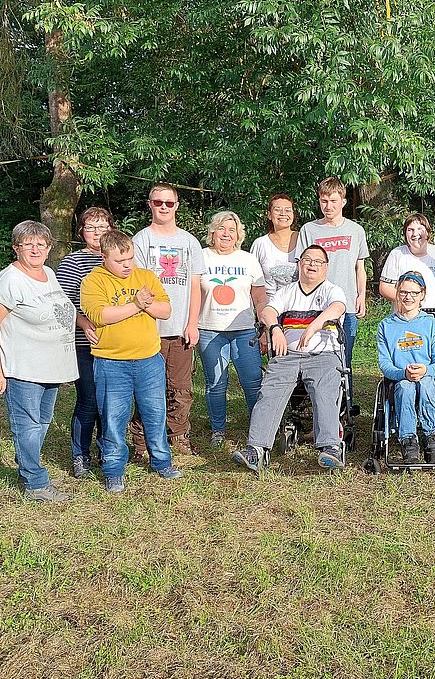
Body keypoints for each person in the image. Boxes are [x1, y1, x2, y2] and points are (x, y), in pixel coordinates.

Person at [0, 221, 78, 502]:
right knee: (28, 425)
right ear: (16, 248)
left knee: (43, 421)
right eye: (28, 244)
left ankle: (28, 466)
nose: (35, 249)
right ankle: (35, 483)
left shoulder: (48, 273)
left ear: (49, 248)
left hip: (50, 367)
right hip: (24, 368)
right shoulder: (9, 280)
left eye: (41, 244)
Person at [81, 230, 183, 493]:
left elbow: (165, 310)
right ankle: (114, 470)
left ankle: (162, 462)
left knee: (155, 414)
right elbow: (101, 315)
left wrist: (143, 304)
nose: (127, 265)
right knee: (113, 418)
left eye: (130, 258)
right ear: (104, 258)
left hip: (149, 359)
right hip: (111, 362)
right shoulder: (93, 281)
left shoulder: (146, 276)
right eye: (120, 261)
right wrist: (138, 304)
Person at [233, 245, 348, 472]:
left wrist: (315, 325)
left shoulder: (332, 290)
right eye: (307, 260)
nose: (312, 265)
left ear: (325, 267)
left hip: (324, 355)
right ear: (299, 264)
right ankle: (256, 450)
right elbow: (267, 311)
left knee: (324, 392)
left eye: (318, 261)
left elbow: (337, 308)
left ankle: (331, 447)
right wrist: (275, 328)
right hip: (289, 355)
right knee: (269, 392)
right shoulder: (287, 291)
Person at [130, 182, 205, 456]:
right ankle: (141, 441)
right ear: (150, 204)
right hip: (149, 329)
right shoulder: (141, 240)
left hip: (180, 328)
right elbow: (136, 285)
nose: (163, 207)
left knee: (181, 388)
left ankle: (178, 434)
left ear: (177, 206)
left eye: (169, 203)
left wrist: (192, 323)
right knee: (148, 388)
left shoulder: (189, 242)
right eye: (158, 202)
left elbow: (195, 286)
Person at [197, 210, 267, 447]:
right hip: (209, 330)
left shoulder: (248, 260)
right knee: (216, 383)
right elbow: (192, 294)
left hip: (244, 330)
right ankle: (218, 430)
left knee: (253, 382)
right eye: (221, 229)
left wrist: (266, 326)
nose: (226, 234)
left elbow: (260, 298)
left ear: (238, 235)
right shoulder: (201, 257)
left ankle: (259, 429)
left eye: (231, 230)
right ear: (213, 232)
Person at [56, 206, 115, 479]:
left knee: (110, 399)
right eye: (90, 227)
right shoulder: (73, 262)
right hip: (85, 343)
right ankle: (80, 454)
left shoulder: (117, 259)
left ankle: (107, 449)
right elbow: (63, 303)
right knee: (89, 398)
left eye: (102, 227)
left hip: (115, 343)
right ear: (81, 231)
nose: (97, 232)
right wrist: (83, 323)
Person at [294, 178, 369, 372]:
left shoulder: (356, 230)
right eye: (324, 201)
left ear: (343, 202)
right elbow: (302, 268)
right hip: (316, 305)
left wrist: (361, 295)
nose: (328, 206)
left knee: (344, 358)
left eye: (333, 201)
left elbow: (360, 267)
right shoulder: (308, 230)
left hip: (347, 305)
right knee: (315, 356)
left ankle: (345, 392)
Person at [376, 273, 435, 463]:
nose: (408, 297)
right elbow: (385, 364)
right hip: (400, 378)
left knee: (425, 384)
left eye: (414, 293)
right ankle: (408, 439)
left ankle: (431, 434)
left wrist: (426, 371)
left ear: (422, 294)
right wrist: (403, 373)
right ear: (397, 293)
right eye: (403, 292)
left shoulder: (430, 323)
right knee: (406, 387)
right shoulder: (386, 325)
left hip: (427, 376)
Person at [378, 214, 435, 339]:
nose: (415, 234)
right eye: (410, 230)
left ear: (428, 232)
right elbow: (384, 287)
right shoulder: (397, 254)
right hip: (404, 318)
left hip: (433, 318)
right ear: (405, 233)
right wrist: (409, 301)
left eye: (420, 229)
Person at [250, 193, 299, 296]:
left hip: (300, 304)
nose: (283, 213)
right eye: (277, 210)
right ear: (269, 215)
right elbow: (251, 280)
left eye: (288, 210)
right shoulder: (260, 244)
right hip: (269, 304)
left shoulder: (303, 240)